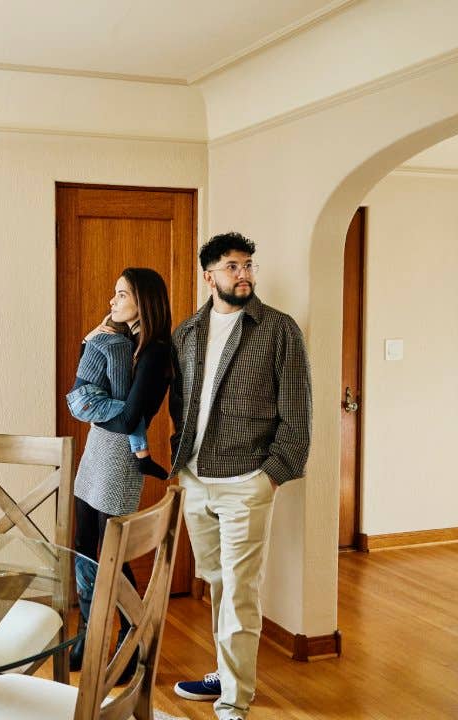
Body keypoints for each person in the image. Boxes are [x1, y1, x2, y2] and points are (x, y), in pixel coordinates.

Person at [168, 233, 311, 720]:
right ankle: (223, 672)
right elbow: (181, 407)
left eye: (248, 265)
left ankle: (234, 700)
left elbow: (298, 413)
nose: (244, 274)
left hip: (247, 480)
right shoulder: (187, 333)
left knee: (241, 587)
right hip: (195, 477)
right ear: (209, 276)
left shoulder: (278, 330)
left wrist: (269, 476)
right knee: (216, 582)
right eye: (232, 266)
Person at [68, 267, 172, 671]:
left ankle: (132, 640)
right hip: (96, 453)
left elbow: (130, 419)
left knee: (113, 553)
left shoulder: (156, 351)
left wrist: (93, 409)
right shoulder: (126, 341)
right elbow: (88, 391)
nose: (113, 301)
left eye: (122, 294)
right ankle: (86, 636)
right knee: (84, 544)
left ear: (143, 301)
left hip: (119, 464)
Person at [66, 317, 169, 480]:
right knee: (134, 415)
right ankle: (143, 458)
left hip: (76, 399)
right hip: (90, 399)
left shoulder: (96, 340)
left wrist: (88, 337)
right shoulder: (119, 344)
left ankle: (143, 458)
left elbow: (84, 365)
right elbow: (118, 379)